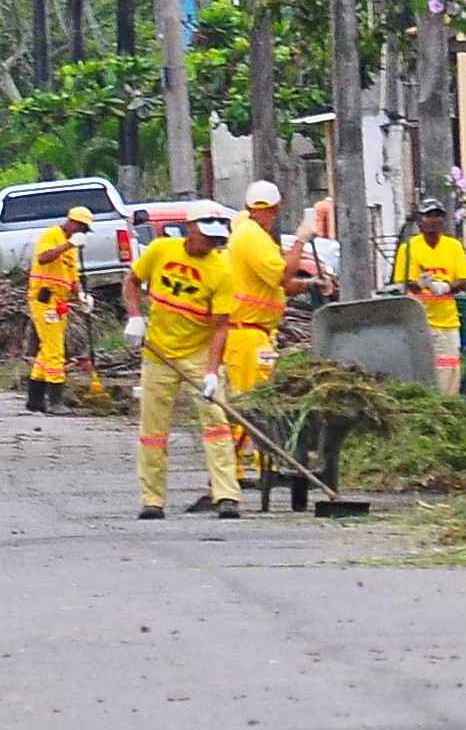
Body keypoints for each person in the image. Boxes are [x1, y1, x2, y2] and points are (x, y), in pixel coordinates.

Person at [121, 203, 241, 521]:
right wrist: (135, 317)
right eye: (207, 236)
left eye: (218, 239)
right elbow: (132, 281)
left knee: (216, 423)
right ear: (190, 229)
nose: (213, 243)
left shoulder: (222, 271)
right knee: (153, 430)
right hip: (158, 354)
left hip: (198, 354)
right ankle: (152, 500)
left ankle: (226, 494)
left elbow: (220, 327)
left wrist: (212, 372)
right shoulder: (161, 251)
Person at [224, 181, 322, 481]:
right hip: (246, 334)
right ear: (277, 209)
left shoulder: (258, 236)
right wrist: (302, 241)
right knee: (249, 404)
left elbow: (281, 284)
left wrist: (311, 284)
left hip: (257, 334)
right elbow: (282, 274)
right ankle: (237, 470)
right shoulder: (251, 236)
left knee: (257, 402)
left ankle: (255, 463)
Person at [391, 198, 466, 394]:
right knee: (420, 366)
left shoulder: (453, 246)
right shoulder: (409, 248)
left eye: (438, 216)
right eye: (428, 215)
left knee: (448, 366)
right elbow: (405, 281)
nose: (433, 220)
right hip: (418, 319)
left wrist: (445, 287)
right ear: (419, 221)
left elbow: (462, 279)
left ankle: (448, 405)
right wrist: (421, 284)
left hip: (446, 319)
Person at [25, 205, 93, 415]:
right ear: (71, 221)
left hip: (59, 303)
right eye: (80, 227)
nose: (81, 232)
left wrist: (81, 295)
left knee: (47, 350)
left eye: (84, 229)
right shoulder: (52, 235)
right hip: (44, 300)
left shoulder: (72, 248)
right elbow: (43, 258)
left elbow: (72, 277)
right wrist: (67, 244)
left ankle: (35, 400)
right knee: (55, 351)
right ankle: (55, 401)